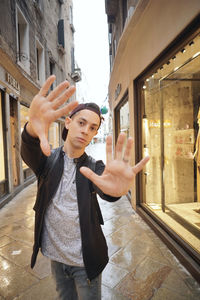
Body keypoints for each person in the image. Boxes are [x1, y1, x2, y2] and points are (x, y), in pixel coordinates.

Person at [21, 75, 149, 300]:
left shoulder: (94, 166)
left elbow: (104, 186)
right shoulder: (48, 160)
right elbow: (29, 150)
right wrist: (32, 128)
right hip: (56, 257)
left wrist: (114, 191)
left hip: (85, 261)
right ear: (68, 122)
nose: (85, 131)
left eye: (92, 128)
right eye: (81, 123)